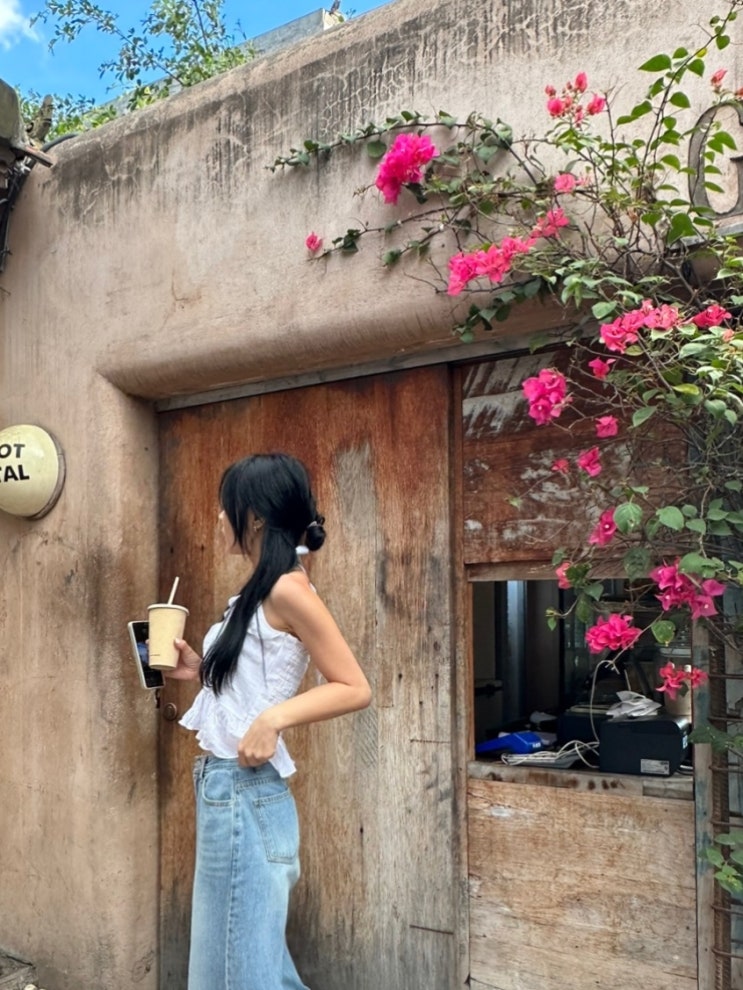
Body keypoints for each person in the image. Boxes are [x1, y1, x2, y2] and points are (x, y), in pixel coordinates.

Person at [165, 452, 372, 990]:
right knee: (252, 969)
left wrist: (273, 720)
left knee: (233, 976)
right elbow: (257, 678)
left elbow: (354, 686)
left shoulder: (286, 589)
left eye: (226, 506)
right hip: (233, 792)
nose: (219, 517)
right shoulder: (261, 589)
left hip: (244, 792)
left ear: (254, 517)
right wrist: (201, 670)